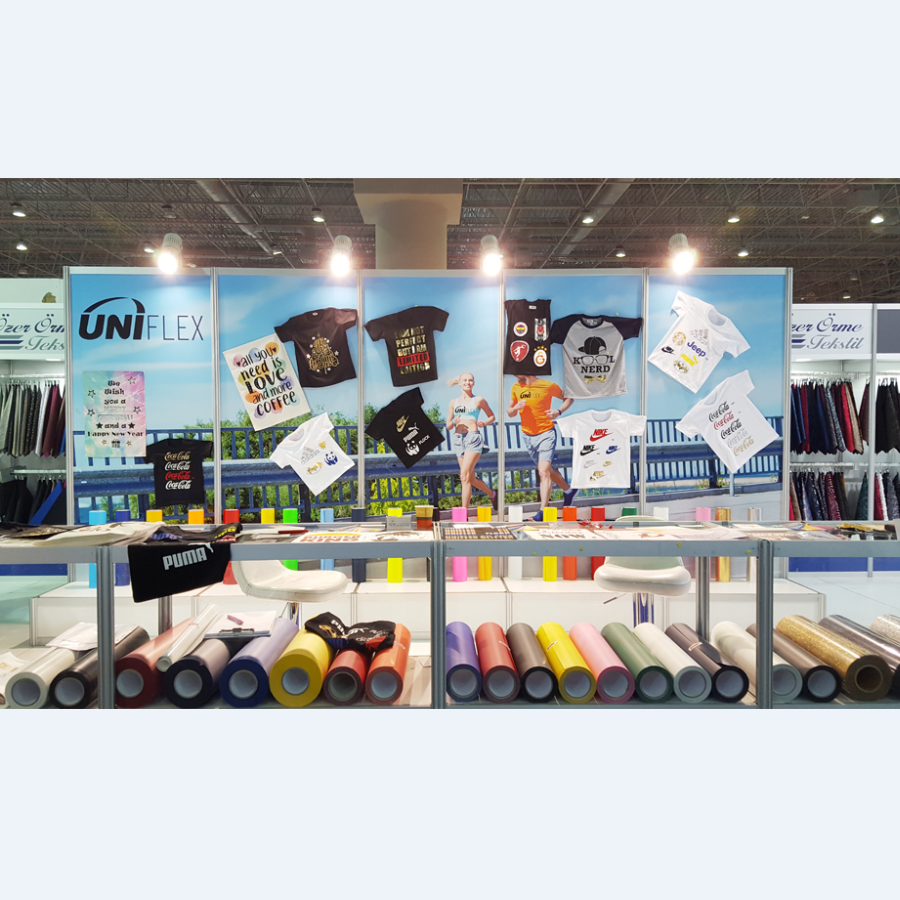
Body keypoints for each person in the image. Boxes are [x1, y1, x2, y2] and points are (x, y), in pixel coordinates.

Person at [506, 373, 578, 509]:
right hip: (527, 435)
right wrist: (515, 408)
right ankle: (569, 490)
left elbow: (569, 398)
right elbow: (510, 412)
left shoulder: (547, 385)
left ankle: (542, 511)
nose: (515, 375)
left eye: (517, 371)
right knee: (546, 470)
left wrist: (558, 411)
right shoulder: (516, 387)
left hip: (546, 433)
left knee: (543, 472)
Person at [446, 372, 497, 509]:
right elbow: (448, 425)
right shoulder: (453, 403)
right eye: (465, 380)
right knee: (470, 478)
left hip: (473, 438)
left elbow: (492, 416)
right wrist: (454, 422)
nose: (468, 383)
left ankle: (463, 514)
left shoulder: (478, 400)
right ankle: (492, 494)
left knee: (464, 475)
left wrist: (484, 423)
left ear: (473, 383)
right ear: (460, 383)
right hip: (458, 440)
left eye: (470, 380)